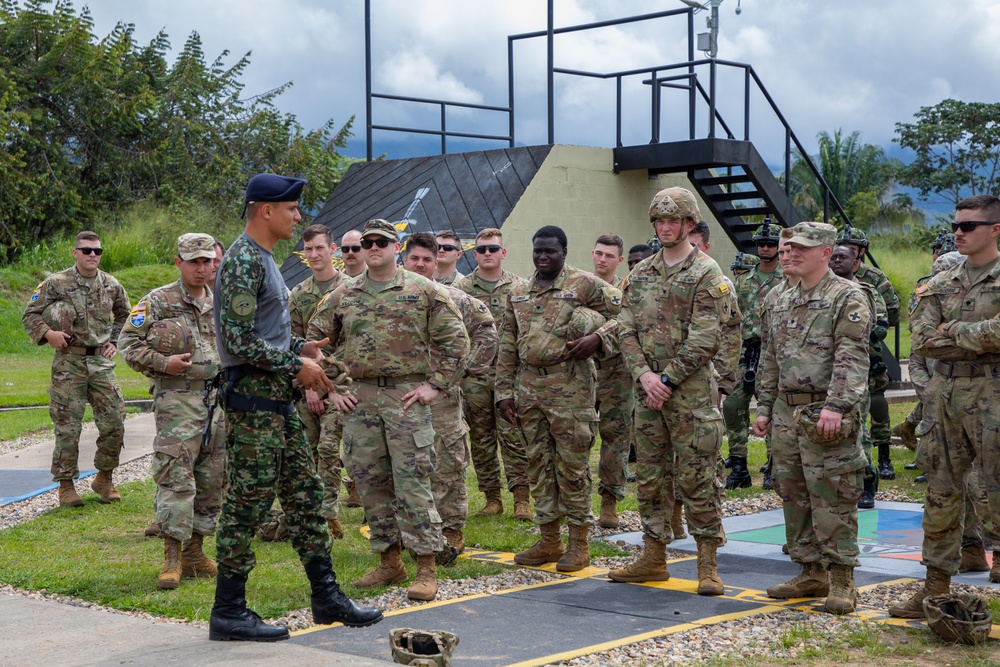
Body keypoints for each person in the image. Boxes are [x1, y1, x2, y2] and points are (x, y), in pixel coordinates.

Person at [210, 173, 381, 642]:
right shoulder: (244, 259)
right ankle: (228, 610)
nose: (299, 217)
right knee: (246, 505)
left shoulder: (262, 259)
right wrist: (296, 366)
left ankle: (327, 598)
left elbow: (260, 331)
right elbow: (241, 341)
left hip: (275, 403)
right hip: (253, 403)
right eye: (291, 209)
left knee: (306, 497)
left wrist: (302, 346)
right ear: (266, 210)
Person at [308, 218, 470, 602]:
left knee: (413, 483)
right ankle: (389, 560)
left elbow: (457, 341)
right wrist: (332, 389)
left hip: (405, 399)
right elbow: (313, 345)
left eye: (382, 241)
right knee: (370, 484)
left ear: (396, 247)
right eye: (368, 242)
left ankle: (426, 565)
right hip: (361, 400)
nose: (374, 247)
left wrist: (435, 386)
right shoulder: (343, 294)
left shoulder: (423, 290)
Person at [608, 188, 739, 595]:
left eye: (674, 220)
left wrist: (666, 380)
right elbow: (624, 328)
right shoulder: (641, 273)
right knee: (650, 476)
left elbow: (706, 337)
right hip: (648, 394)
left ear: (689, 225)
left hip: (691, 393)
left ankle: (707, 563)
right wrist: (645, 375)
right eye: (660, 221)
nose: (666, 227)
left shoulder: (707, 273)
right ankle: (653, 555)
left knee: (699, 476)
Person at [889, 194, 1000, 618]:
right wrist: (977, 335)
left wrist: (953, 330)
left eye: (969, 226)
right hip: (946, 396)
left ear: (995, 229)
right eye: (957, 224)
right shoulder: (939, 280)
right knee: (941, 494)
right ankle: (934, 588)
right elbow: (922, 338)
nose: (959, 232)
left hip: (994, 396)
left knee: (996, 489)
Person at [753, 221, 871, 615]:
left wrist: (837, 406)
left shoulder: (846, 295)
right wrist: (765, 406)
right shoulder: (777, 297)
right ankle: (810, 570)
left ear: (825, 252)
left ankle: (841, 579)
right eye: (786, 249)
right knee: (792, 491)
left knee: (833, 493)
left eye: (800, 249)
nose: (789, 254)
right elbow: (768, 356)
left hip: (825, 409)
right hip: (787, 411)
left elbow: (851, 356)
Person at [495, 225, 613, 572]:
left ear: (564, 251)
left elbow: (627, 315)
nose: (543, 257)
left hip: (570, 388)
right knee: (539, 466)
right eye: (538, 251)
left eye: (550, 251)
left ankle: (579, 543)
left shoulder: (584, 284)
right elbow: (506, 344)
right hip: (529, 389)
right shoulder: (517, 291)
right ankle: (549, 539)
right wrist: (504, 391)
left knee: (572, 468)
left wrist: (599, 339)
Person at [118, 233, 225, 589]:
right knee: (176, 477)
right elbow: (127, 343)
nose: (200, 267)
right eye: (193, 261)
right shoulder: (158, 301)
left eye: (206, 261)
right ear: (178, 262)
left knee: (212, 479)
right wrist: (163, 363)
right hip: (177, 399)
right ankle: (172, 558)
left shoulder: (222, 302)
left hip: (217, 402)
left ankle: (195, 552)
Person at [402, 233, 498, 558]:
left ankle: (451, 532)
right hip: (400, 400)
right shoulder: (390, 300)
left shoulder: (454, 299)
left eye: (427, 259)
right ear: (404, 261)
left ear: (436, 263)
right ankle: (412, 534)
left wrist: (460, 372)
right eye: (414, 258)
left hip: (441, 399)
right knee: (405, 466)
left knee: (449, 464)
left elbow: (487, 330)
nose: (420, 264)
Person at [22, 231, 131, 507]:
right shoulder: (55, 283)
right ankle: (66, 486)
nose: (92, 255)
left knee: (115, 422)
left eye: (97, 251)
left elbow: (126, 314)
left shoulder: (111, 284)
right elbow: (30, 314)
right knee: (67, 427)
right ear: (75, 253)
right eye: (86, 250)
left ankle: (104, 478)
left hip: (100, 362)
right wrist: (49, 334)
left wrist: (115, 341)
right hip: (68, 362)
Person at [455, 229, 532, 520]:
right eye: (482, 249)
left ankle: (522, 498)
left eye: (493, 248)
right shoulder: (462, 288)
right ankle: (492, 497)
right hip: (474, 375)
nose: (487, 253)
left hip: (508, 375)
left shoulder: (519, 286)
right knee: (481, 438)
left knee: (513, 435)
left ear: (503, 253)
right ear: (474, 255)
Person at [288, 224, 348, 538]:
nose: (314, 254)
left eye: (319, 248)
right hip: (307, 388)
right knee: (307, 452)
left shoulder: (351, 289)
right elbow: (294, 344)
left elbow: (356, 344)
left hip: (341, 386)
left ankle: (330, 513)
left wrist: (332, 386)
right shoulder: (298, 294)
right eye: (308, 249)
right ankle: (312, 514)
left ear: (332, 250)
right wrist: (309, 388)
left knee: (328, 449)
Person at [836, 226, 900, 480]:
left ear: (861, 252)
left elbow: (892, 311)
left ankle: (884, 456)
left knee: (876, 401)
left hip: (870, 345)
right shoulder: (830, 275)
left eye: (850, 249)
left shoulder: (873, 278)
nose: (843, 255)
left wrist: (872, 328)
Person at [828, 244, 888, 510]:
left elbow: (879, 327)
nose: (837, 261)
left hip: (856, 370)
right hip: (826, 371)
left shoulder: (866, 292)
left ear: (855, 263)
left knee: (859, 430)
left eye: (843, 257)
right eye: (833, 257)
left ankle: (866, 484)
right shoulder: (823, 291)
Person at [725, 222, 784, 491]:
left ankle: (774, 467)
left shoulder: (787, 280)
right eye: (761, 243)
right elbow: (728, 318)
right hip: (743, 352)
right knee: (733, 407)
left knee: (771, 409)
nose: (765, 248)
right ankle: (738, 466)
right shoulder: (741, 281)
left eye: (771, 244)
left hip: (773, 352)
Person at [588, 234, 632, 528]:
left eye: (609, 255)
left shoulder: (628, 290)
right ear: (593, 254)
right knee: (578, 439)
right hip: (584, 373)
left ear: (620, 260)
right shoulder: (581, 288)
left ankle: (609, 503)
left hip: (617, 373)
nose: (603, 259)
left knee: (616, 439)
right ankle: (576, 501)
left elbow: (630, 323)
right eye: (599, 253)